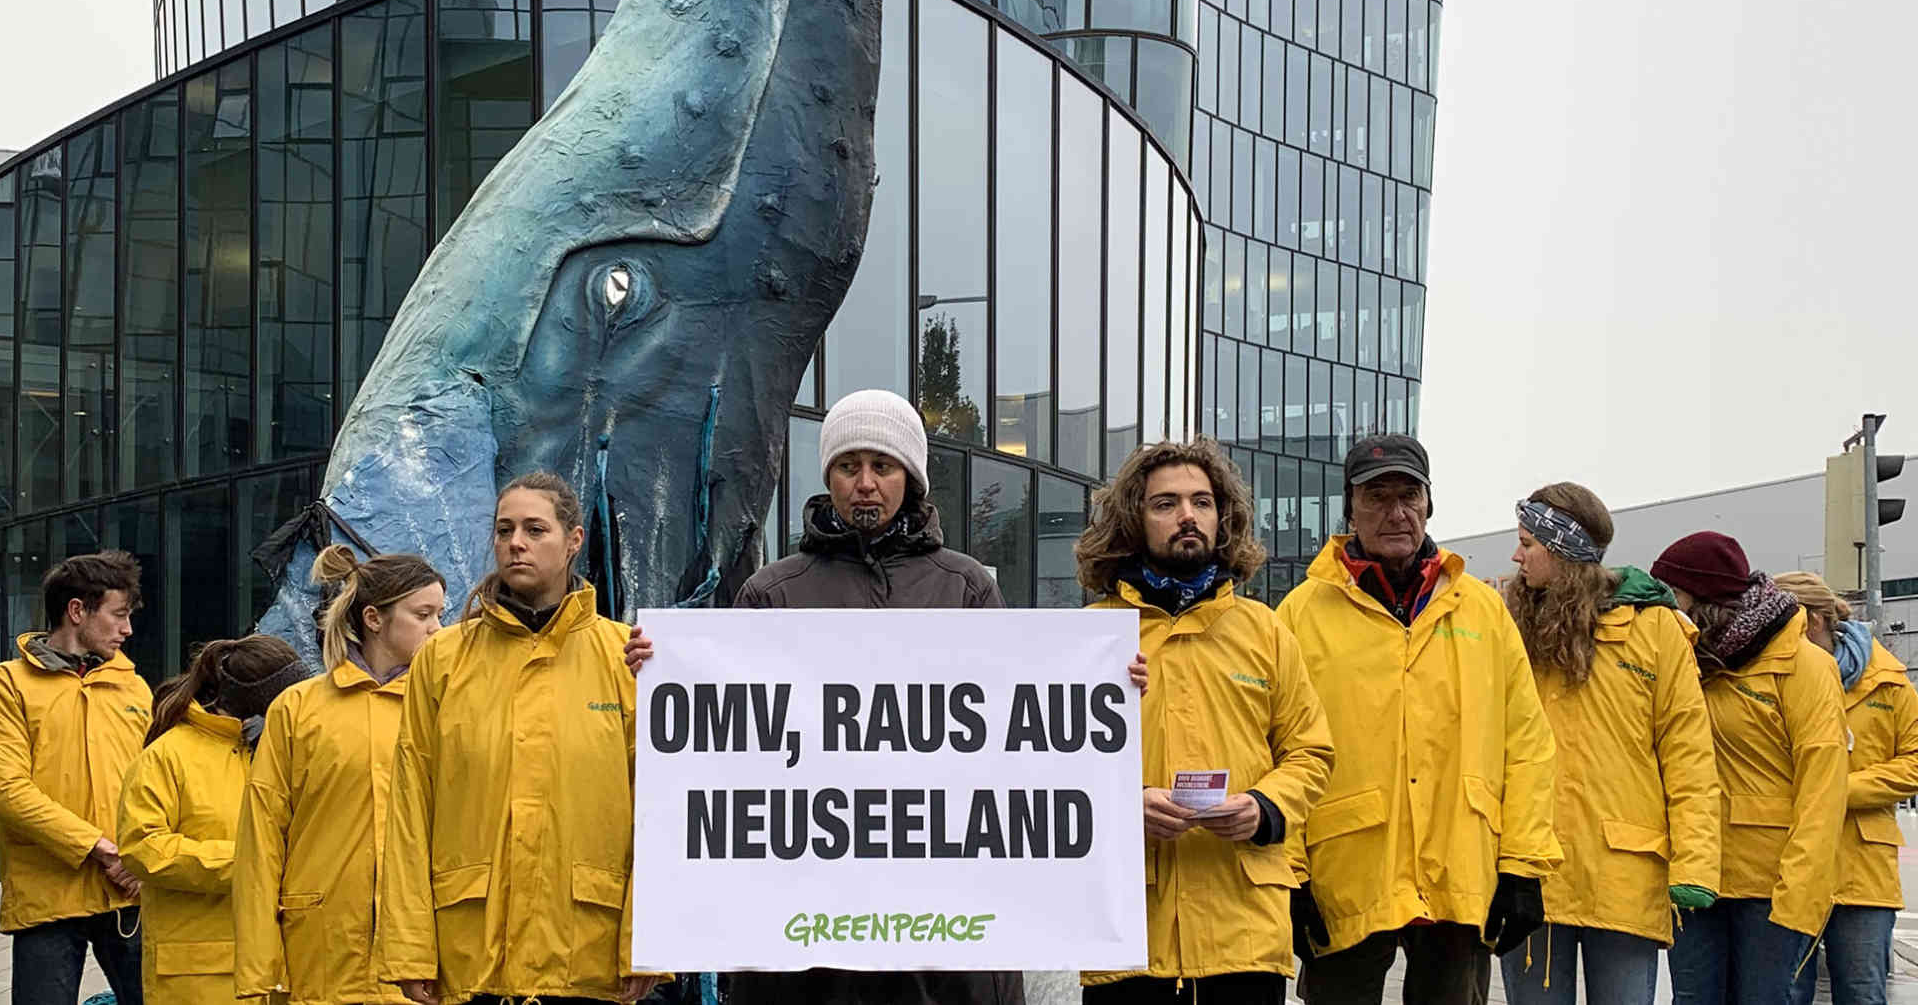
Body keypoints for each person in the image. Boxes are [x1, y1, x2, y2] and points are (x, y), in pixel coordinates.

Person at [626, 389, 1144, 1004]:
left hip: (943, 942)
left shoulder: (966, 587)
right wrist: (665, 674)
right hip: (808, 945)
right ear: (829, 478)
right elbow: (728, 750)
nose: (865, 483)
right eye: (849, 466)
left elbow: (1018, 734)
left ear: (911, 478)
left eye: (883, 466)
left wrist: (1098, 685)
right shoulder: (772, 592)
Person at [1276, 434, 1561, 1005]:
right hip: (1345, 875)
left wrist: (1523, 867)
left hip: (1459, 872)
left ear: (1429, 503)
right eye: (1377, 497)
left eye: (1409, 495)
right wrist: (1289, 874)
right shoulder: (1298, 615)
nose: (1396, 512)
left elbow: (1526, 746)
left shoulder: (1481, 609)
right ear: (1349, 507)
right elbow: (1276, 747)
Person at [379, 472, 662, 1005]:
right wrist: (410, 948)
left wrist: (643, 940)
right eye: (504, 530)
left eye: (536, 530)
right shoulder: (442, 660)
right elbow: (410, 807)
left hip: (588, 952)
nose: (516, 543)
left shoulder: (626, 659)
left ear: (574, 540)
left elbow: (657, 809)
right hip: (472, 954)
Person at [1073, 438, 1334, 1005]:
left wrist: (1265, 807)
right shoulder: (1089, 637)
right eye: (1165, 504)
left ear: (1224, 517)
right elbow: (1043, 770)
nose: (1187, 516)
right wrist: (1122, 807)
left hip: (1243, 928)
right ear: (1133, 520)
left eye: (1202, 502)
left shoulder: (1265, 632)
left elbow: (1311, 752)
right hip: (1128, 935)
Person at [1500, 484, 1720, 1005]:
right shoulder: (1512, 629)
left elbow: (1688, 756)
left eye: (1528, 542)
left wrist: (1695, 865)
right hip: (1534, 877)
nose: (1516, 555)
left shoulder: (1657, 630)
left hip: (1624, 877)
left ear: (1563, 550)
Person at [234, 547, 447, 1004]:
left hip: (421, 963)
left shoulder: (446, 709)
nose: (437, 629)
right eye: (423, 614)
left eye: (439, 615)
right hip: (322, 957)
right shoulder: (298, 710)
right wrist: (261, 966)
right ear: (374, 618)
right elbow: (262, 843)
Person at [1650, 532, 1846, 1005]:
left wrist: (1798, 898)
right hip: (1695, 877)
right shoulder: (1683, 660)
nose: (1662, 609)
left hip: (1770, 889)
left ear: (1705, 597)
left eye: (1671, 595)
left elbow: (1823, 791)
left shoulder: (1804, 666)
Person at [0, 551, 152, 1005]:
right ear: (77, 611)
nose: (127, 629)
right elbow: (7, 791)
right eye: (119, 615)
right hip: (48, 896)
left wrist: (146, 857)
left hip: (127, 891)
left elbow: (157, 782)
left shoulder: (134, 687)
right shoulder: (3, 686)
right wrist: (99, 848)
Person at [117, 635, 313, 1005]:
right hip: (196, 977)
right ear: (262, 701)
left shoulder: (282, 753)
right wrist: (250, 864)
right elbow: (143, 848)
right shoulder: (167, 756)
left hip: (278, 970)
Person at [1774, 572, 1918, 1005]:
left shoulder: (1889, 681)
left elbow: (1914, 761)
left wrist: (1838, 788)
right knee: (1784, 992)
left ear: (1815, 621)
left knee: (1861, 993)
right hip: (1788, 864)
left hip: (1863, 870)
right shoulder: (1775, 674)